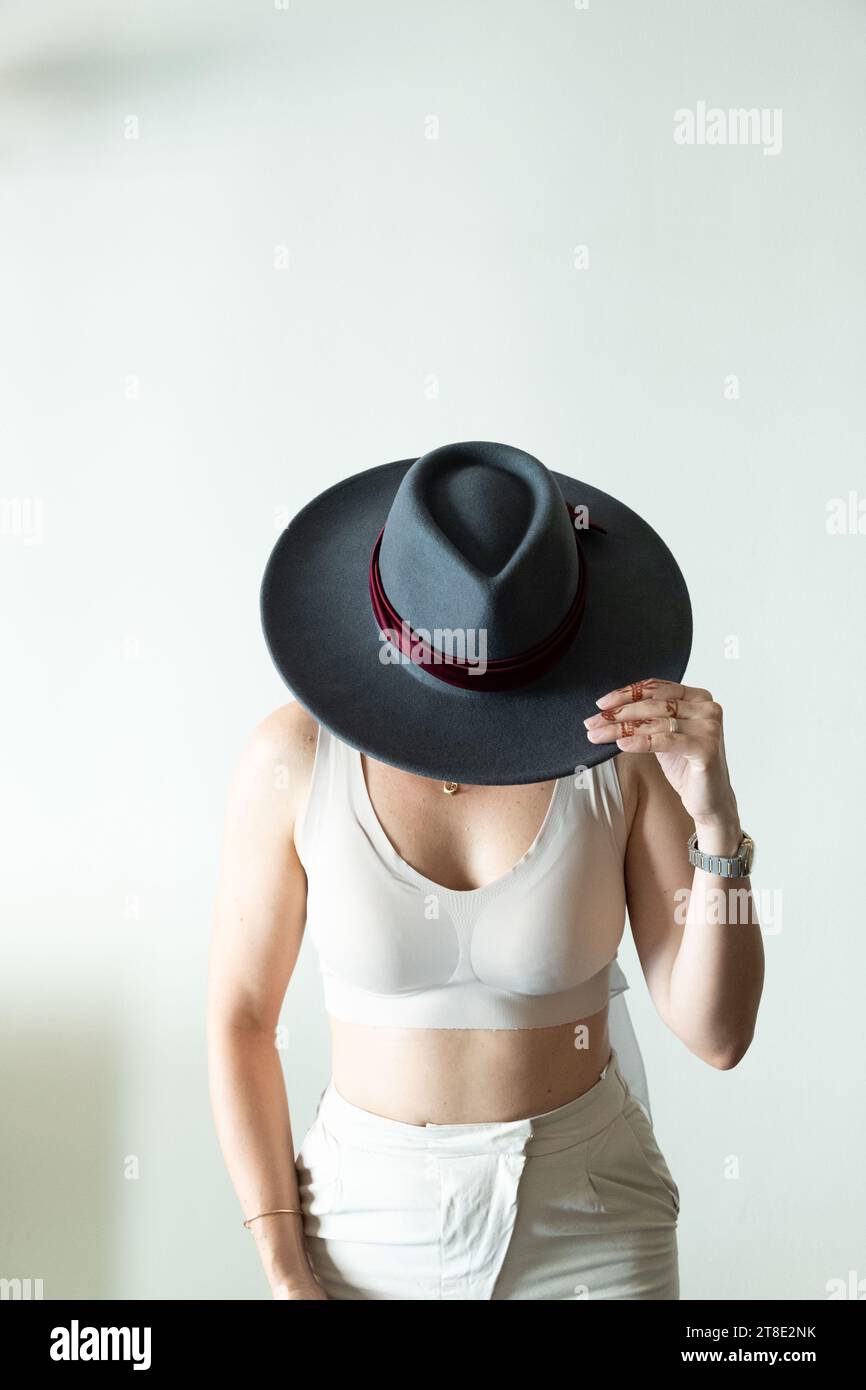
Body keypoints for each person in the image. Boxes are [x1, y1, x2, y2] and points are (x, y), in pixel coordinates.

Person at [207, 441, 764, 1300]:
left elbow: (718, 1035)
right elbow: (242, 1020)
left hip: (592, 1224)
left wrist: (719, 826)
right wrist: (283, 1264)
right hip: (359, 1229)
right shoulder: (294, 759)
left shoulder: (621, 758)